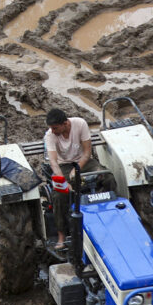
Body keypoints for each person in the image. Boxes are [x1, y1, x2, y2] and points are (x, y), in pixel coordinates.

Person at [44, 107, 98, 250]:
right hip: (64, 166)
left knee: (107, 177)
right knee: (58, 195)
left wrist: (77, 168)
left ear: (65, 123)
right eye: (51, 128)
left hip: (83, 162)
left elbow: (87, 152)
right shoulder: (50, 135)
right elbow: (53, 162)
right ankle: (61, 235)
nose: (52, 131)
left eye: (55, 128)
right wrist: (63, 181)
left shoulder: (80, 124)